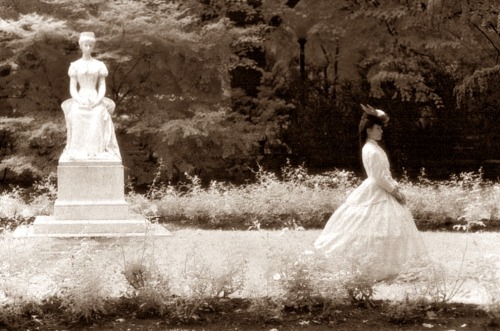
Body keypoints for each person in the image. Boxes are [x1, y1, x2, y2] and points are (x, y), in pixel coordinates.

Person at [314, 104, 428, 283]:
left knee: (390, 230)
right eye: (377, 127)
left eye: (381, 127)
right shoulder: (370, 149)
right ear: (368, 130)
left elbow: (384, 174)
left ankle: (393, 267)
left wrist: (395, 188)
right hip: (377, 190)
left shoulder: (373, 147)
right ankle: (369, 267)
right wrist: (395, 191)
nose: (381, 130)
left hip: (381, 188)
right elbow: (378, 176)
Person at [60, 31, 121, 161]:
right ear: (81, 46)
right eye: (85, 45)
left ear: (93, 47)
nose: (88, 48)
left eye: (90, 45)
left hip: (95, 98)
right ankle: (77, 150)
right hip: (80, 98)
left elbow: (102, 86)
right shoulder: (75, 66)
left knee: (99, 113)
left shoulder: (99, 65)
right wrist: (80, 100)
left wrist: (97, 100)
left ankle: (97, 151)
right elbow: (73, 88)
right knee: (75, 113)